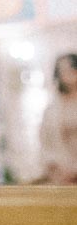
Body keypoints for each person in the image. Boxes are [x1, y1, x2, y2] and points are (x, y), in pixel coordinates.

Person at [40, 53, 77, 184]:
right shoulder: (52, 109)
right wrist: (57, 166)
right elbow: (45, 141)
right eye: (62, 70)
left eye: (71, 68)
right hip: (61, 175)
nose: (67, 74)